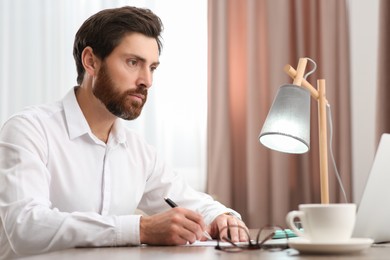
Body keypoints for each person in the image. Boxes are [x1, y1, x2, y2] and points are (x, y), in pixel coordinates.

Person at [0, 6, 247, 259]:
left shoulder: (137, 151)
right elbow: (25, 227)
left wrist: (222, 216)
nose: (146, 81)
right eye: (133, 62)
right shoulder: (28, 130)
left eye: (152, 67)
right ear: (91, 62)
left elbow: (187, 198)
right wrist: (140, 229)